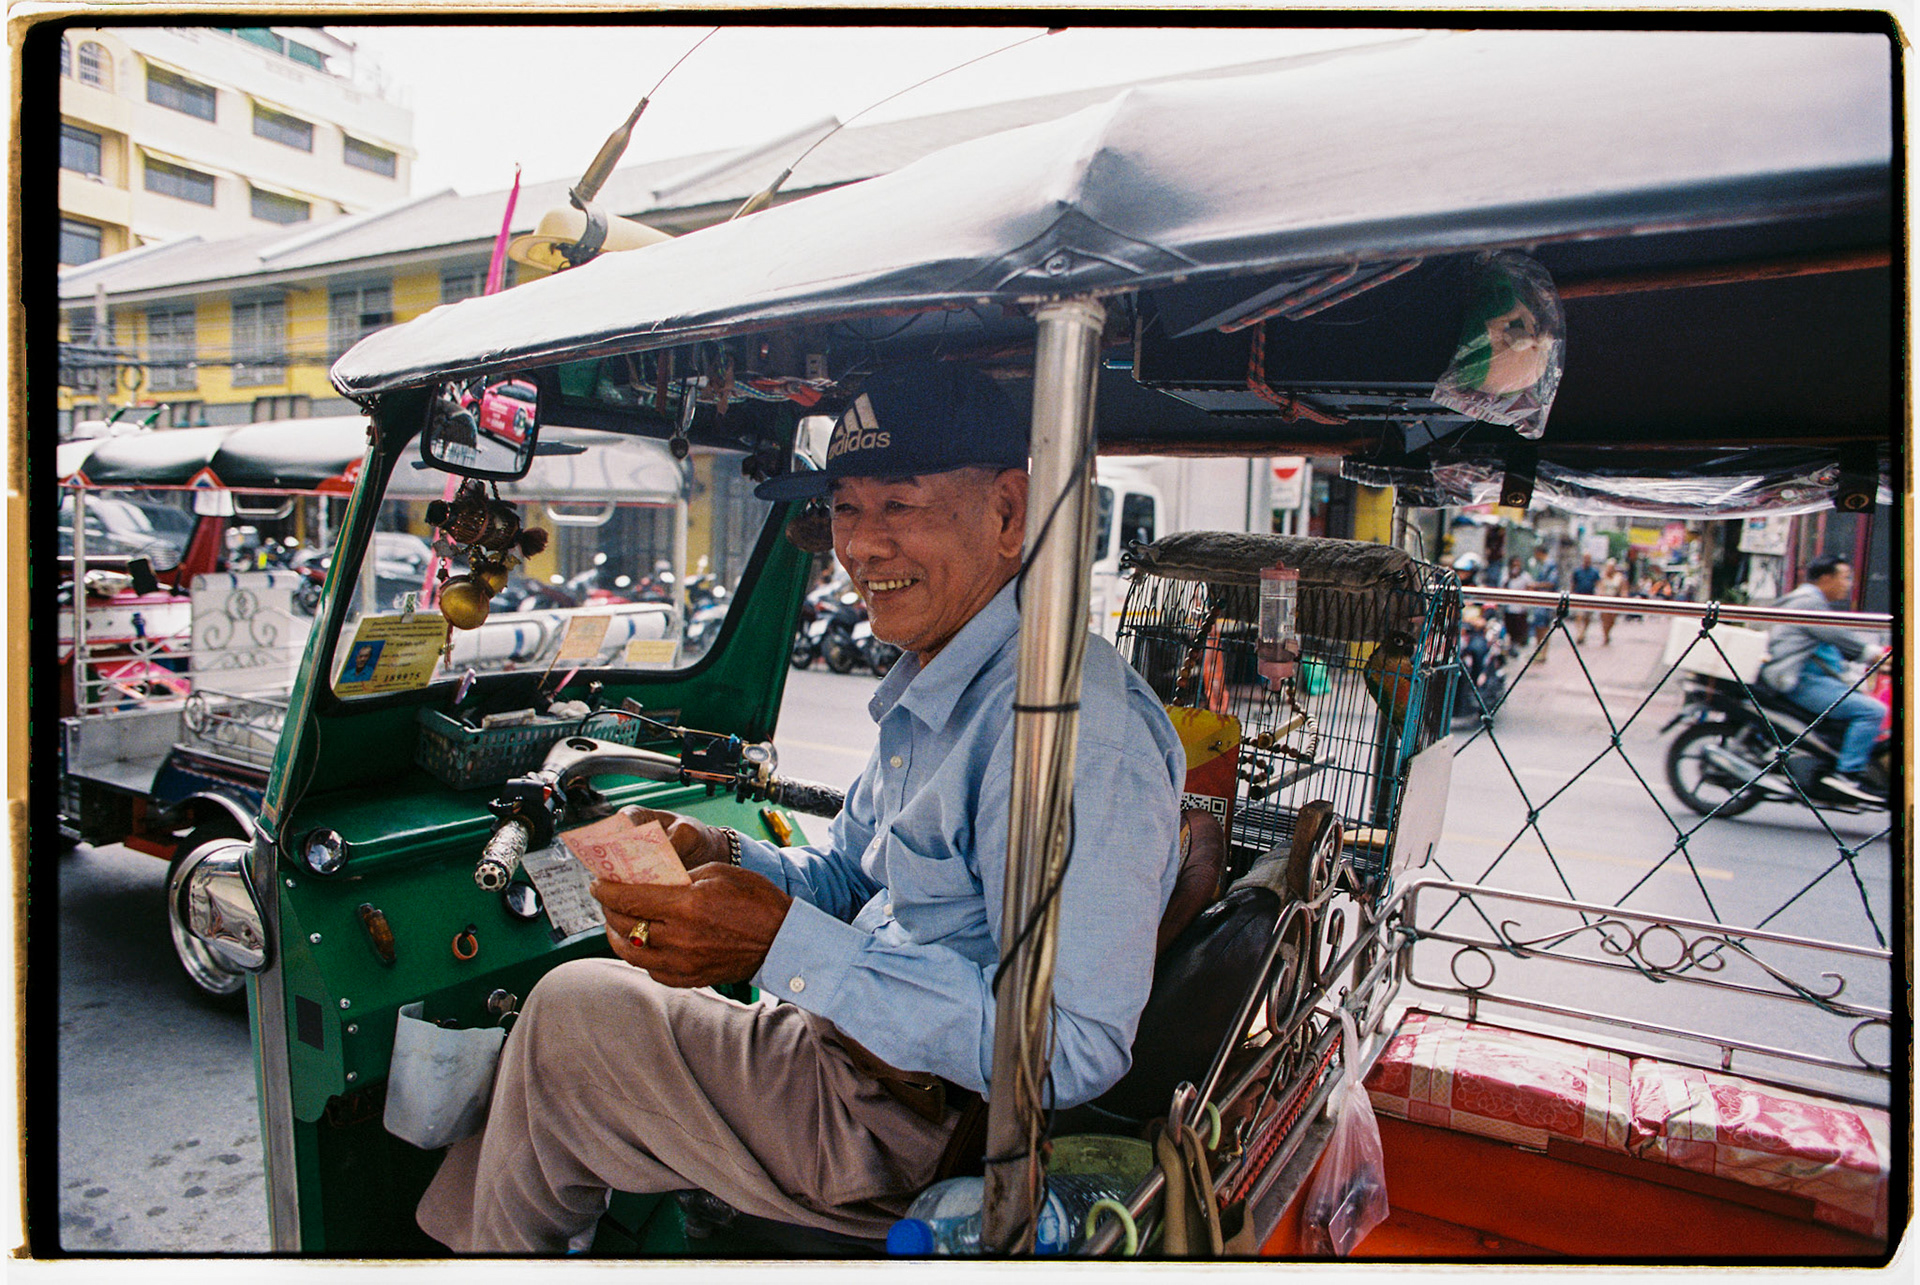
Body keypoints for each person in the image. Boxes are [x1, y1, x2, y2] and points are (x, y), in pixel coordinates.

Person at [416, 360, 1186, 1252]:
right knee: (586, 1013)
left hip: (907, 1126)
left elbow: (1072, 1045)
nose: (861, 547)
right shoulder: (942, 681)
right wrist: (724, 855)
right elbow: (853, 875)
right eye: (847, 508)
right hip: (847, 1055)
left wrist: (781, 944)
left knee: (567, 1018)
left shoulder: (1070, 733)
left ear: (1008, 514)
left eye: (899, 504)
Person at [1758, 555, 1886, 803]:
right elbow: (1837, 635)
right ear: (1826, 578)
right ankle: (1848, 774)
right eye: (1845, 577)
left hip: (1804, 676)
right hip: (1797, 680)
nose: (1848, 584)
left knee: (1859, 699)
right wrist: (1873, 654)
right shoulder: (1809, 602)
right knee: (1872, 711)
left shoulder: (1805, 599)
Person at [1500, 556, 1532, 649]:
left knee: (1520, 630)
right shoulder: (1506, 575)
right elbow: (1502, 587)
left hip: (1521, 608)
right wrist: (1510, 578)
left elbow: (1530, 587)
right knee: (1510, 629)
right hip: (1509, 608)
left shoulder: (1525, 576)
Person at [1595, 558, 1628, 645]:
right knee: (1604, 618)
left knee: (1612, 619)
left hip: (1614, 599)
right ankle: (1605, 635)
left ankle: (1608, 632)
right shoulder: (1603, 576)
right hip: (1605, 599)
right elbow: (1600, 587)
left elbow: (1623, 588)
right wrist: (1600, 595)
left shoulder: (1619, 577)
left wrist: (1623, 597)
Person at [1570, 554, 1601, 643]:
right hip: (1579, 596)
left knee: (1587, 617)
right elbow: (1573, 583)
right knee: (1579, 616)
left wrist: (1598, 595)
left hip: (1590, 597)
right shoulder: (1577, 571)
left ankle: (1584, 632)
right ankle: (1579, 633)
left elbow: (1598, 583)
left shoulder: (1594, 572)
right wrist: (1572, 594)